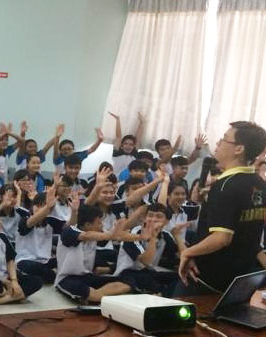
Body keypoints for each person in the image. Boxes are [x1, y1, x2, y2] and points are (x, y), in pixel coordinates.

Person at [179, 121, 266, 293]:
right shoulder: (259, 183)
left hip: (206, 278)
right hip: (239, 281)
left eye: (225, 139)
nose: (218, 143)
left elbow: (222, 238)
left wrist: (188, 252)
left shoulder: (225, 186)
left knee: (178, 309)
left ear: (239, 149)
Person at [55, 204, 138, 303]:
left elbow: (119, 237)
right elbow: (86, 236)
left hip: (88, 276)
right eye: (99, 223)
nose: (102, 225)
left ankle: (97, 295)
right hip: (67, 278)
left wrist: (142, 237)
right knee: (87, 292)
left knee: (128, 281)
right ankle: (96, 296)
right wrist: (111, 235)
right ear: (87, 225)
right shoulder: (69, 231)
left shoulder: (98, 233)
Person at [114, 203, 182, 297]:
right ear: (144, 218)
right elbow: (145, 261)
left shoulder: (165, 235)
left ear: (166, 221)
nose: (153, 219)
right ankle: (159, 294)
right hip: (128, 273)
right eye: (150, 215)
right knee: (150, 282)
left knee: (182, 278)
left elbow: (182, 256)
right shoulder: (134, 233)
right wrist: (153, 238)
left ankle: (160, 294)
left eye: (158, 216)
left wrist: (177, 235)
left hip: (149, 272)